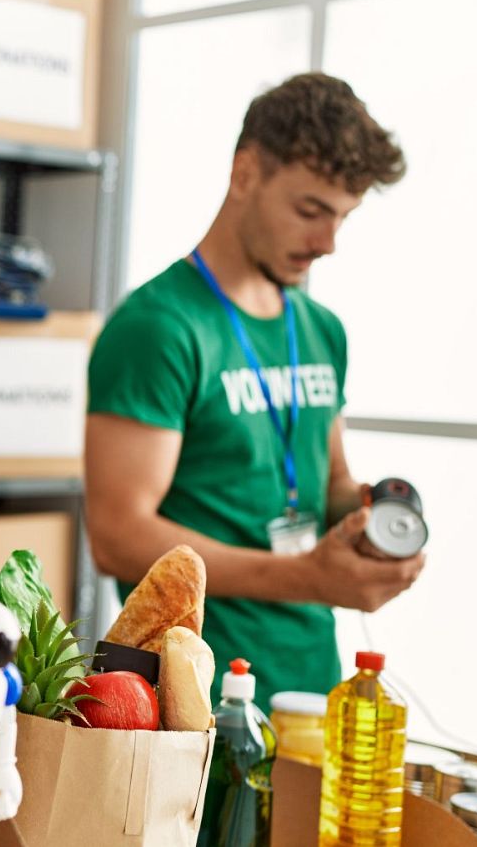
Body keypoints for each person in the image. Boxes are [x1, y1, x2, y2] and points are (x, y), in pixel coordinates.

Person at [84, 72, 422, 708]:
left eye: (342, 217)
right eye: (309, 211)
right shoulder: (157, 328)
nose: (327, 243)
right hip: (190, 694)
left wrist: (371, 521)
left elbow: (328, 485)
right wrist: (309, 575)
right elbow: (117, 535)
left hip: (312, 684)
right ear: (245, 174)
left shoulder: (321, 329)